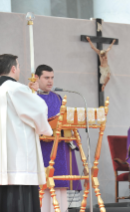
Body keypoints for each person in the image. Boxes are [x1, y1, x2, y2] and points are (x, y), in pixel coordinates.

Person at [0, 54, 53, 212]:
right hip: (18, 155)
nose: (20, 69)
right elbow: (38, 109)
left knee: (5, 197)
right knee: (21, 199)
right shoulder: (15, 88)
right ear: (13, 68)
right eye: (19, 66)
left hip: (1, 157)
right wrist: (33, 93)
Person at [35, 65, 82, 211]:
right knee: (44, 186)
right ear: (36, 78)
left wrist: (72, 134)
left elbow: (65, 120)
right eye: (46, 78)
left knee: (59, 187)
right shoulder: (32, 97)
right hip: (42, 148)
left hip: (59, 149)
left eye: (52, 78)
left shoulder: (57, 97)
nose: (50, 81)